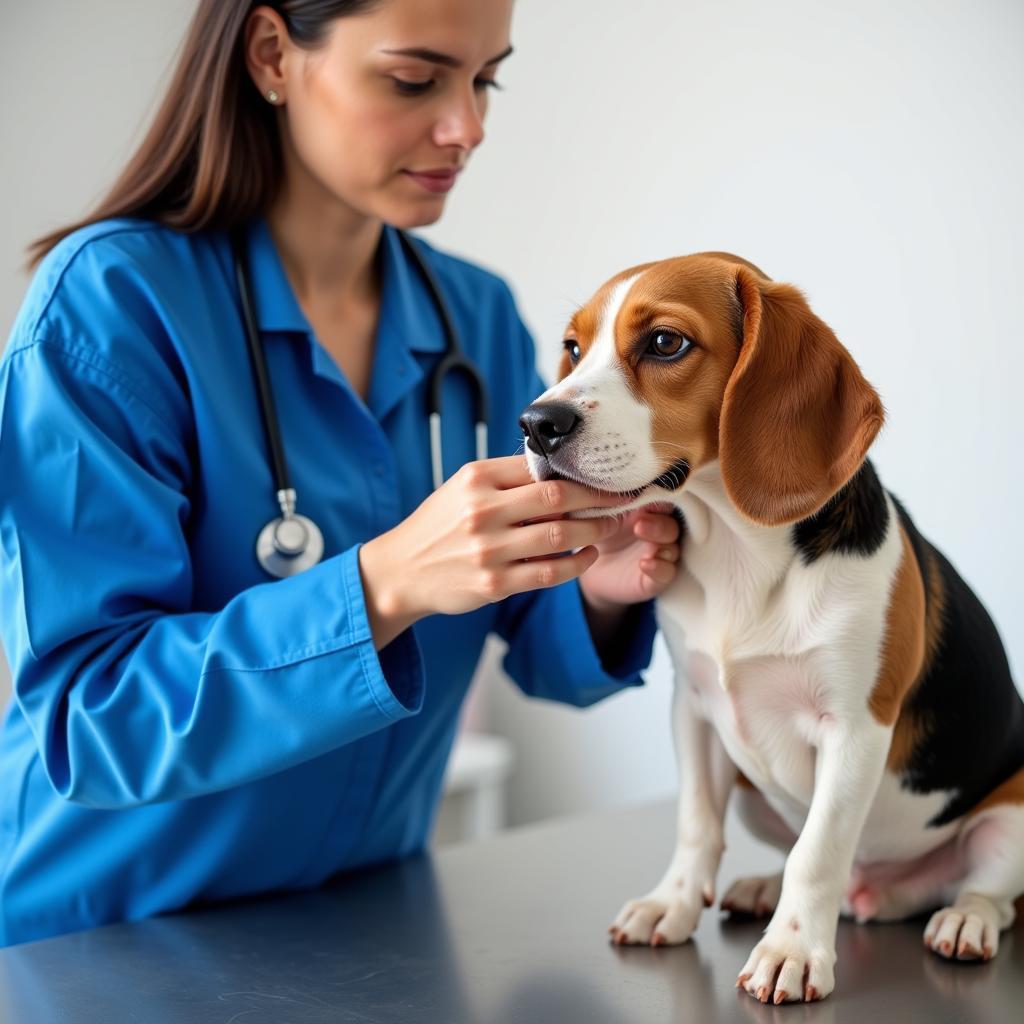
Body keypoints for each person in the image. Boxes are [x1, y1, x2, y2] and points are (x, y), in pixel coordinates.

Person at [0, 0, 681, 947]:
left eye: (486, 79)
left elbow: (537, 635)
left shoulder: (474, 320)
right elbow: (92, 717)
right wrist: (384, 584)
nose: (468, 127)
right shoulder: (111, 306)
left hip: (353, 938)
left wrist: (599, 588)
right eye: (415, 80)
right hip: (98, 941)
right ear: (274, 54)